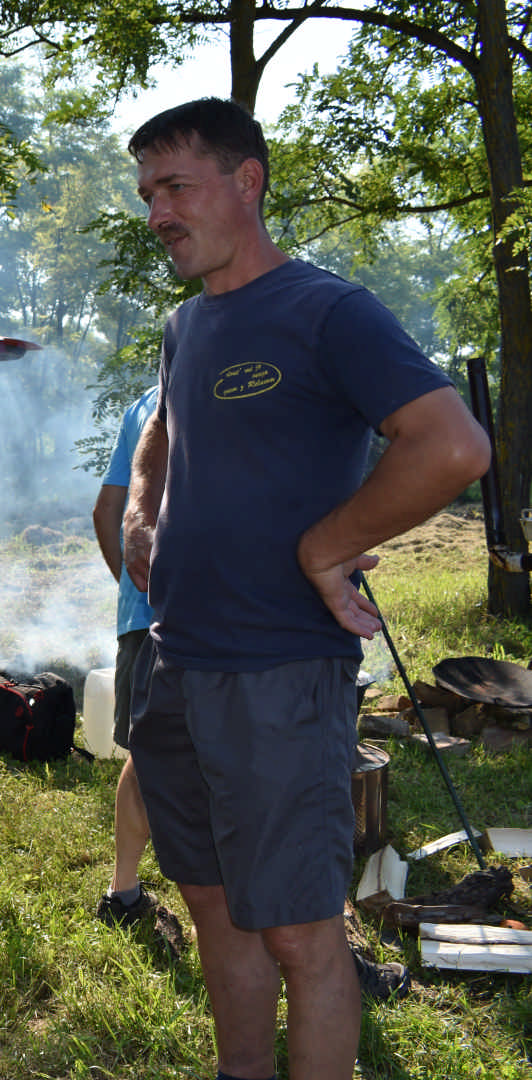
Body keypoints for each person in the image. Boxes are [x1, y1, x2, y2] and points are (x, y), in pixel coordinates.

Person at [122, 98, 491, 1080]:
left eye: (176, 187)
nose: (158, 213)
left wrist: (329, 545)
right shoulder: (187, 325)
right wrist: (139, 511)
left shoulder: (328, 311)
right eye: (148, 193)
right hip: (176, 661)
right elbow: (161, 430)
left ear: (247, 181)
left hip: (279, 673)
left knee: (298, 933)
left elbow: (452, 445)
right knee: (215, 906)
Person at [90, 383, 159, 928]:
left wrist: (131, 584)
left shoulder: (143, 403)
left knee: (146, 754)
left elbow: (105, 511)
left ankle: (124, 890)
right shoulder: (239, 383)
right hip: (222, 614)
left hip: (143, 614)